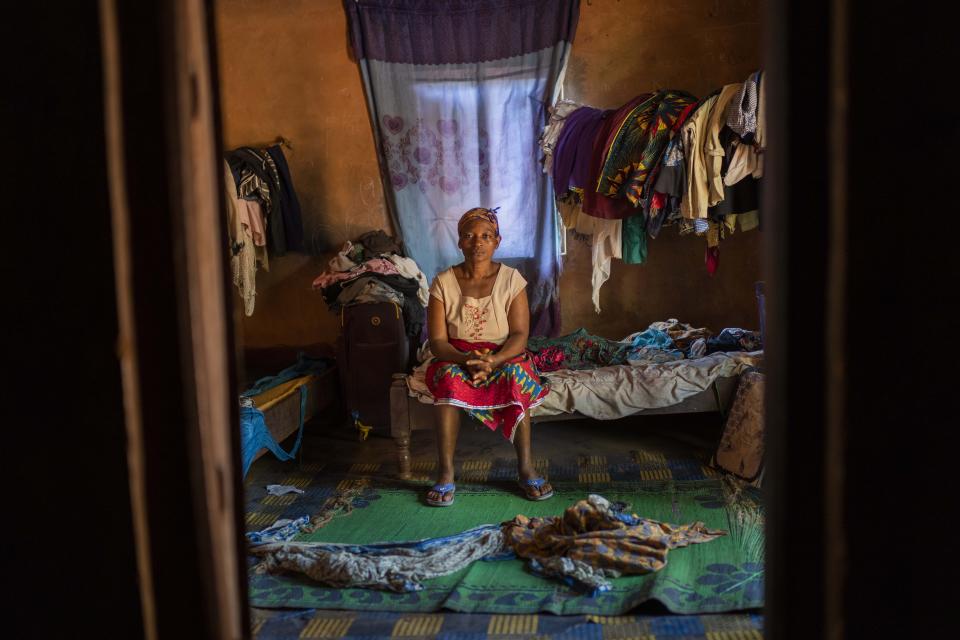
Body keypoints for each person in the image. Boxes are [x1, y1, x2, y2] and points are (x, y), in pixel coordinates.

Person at [423, 207, 553, 507]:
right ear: (459, 242)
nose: (477, 242)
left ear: (497, 240)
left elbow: (520, 335)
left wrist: (493, 361)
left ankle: (525, 467)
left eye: (486, 236)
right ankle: (445, 473)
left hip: (502, 354)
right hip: (455, 355)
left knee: (515, 377)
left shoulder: (511, 280)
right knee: (448, 381)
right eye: (469, 236)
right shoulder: (443, 282)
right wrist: (465, 360)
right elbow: (438, 342)